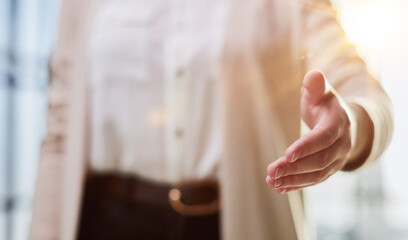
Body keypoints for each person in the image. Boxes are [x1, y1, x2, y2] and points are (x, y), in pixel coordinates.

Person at [29, 0, 394, 239]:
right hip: (104, 221)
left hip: (233, 224)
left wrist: (352, 127)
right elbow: (59, 130)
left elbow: (363, 89)